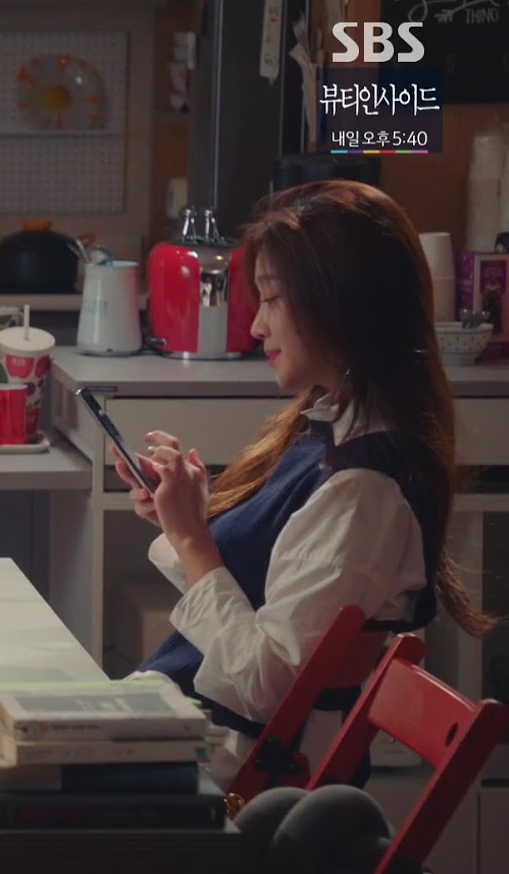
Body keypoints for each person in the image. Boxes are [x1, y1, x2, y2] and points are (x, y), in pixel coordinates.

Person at [123, 179, 496, 786]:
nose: (256, 327)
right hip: (199, 741)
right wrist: (182, 519)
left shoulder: (364, 491)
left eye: (272, 299)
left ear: (340, 304)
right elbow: (265, 595)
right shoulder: (327, 437)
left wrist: (193, 538)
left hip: (227, 774)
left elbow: (262, 684)